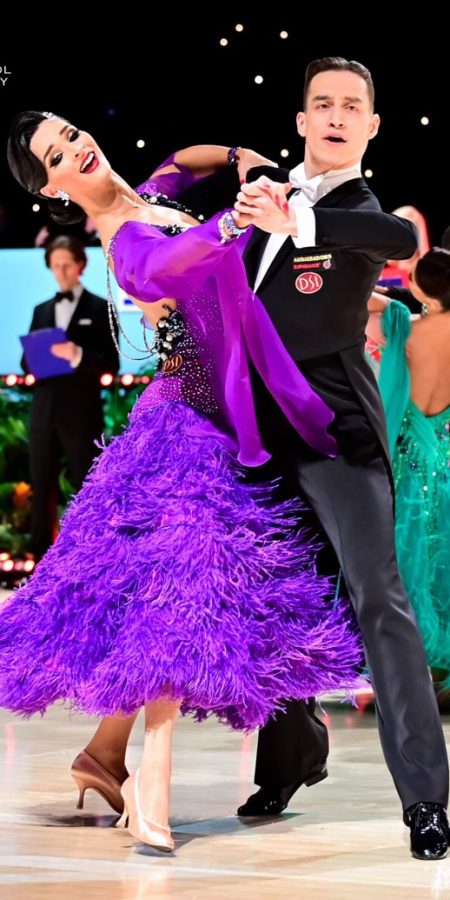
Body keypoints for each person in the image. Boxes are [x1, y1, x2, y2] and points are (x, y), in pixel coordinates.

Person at [0, 111, 363, 853]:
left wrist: (236, 155)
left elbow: (182, 159)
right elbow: (164, 265)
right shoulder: (124, 239)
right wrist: (234, 219)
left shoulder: (149, 195)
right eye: (56, 155)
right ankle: (153, 782)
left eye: (70, 132)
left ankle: (104, 756)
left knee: (172, 591)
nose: (76, 147)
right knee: (179, 595)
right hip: (187, 424)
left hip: (228, 408)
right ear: (51, 188)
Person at [232, 56, 449, 861]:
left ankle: (426, 798)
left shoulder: (358, 216)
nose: (334, 115)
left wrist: (299, 223)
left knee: (378, 599)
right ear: (300, 121)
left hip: (339, 439)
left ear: (371, 126)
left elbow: (398, 238)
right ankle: (293, 760)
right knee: (272, 606)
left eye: (350, 106)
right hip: (258, 439)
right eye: (321, 103)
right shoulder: (260, 206)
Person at [367, 249, 450, 685]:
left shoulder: (404, 327)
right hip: (445, 453)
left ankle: (408, 667)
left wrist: (384, 292)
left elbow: (354, 298)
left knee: (404, 556)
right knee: (441, 551)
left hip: (407, 456)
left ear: (421, 289)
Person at [20, 234, 120, 561]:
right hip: (44, 411)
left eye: (66, 265)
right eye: (55, 266)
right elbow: (25, 363)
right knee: (42, 486)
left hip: (81, 412)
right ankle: (40, 564)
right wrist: (38, 355)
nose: (61, 272)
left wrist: (76, 355)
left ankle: (89, 559)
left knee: (86, 486)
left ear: (81, 265)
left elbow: (111, 362)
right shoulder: (42, 310)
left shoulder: (100, 307)